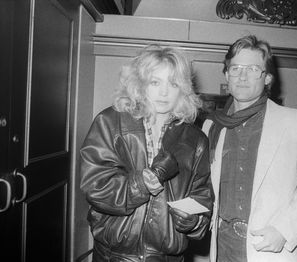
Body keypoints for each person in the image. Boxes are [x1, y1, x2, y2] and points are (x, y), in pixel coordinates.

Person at [202, 35, 297, 262]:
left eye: (252, 68)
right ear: (226, 74)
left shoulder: (295, 122)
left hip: (268, 247)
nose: (242, 76)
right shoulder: (212, 125)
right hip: (222, 246)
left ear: (267, 77)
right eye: (236, 68)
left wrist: (285, 229)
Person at [80, 46, 214, 262]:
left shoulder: (196, 139)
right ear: (140, 84)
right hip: (114, 256)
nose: (164, 92)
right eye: (155, 82)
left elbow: (202, 196)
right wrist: (142, 184)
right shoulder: (110, 122)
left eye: (173, 84)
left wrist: (195, 222)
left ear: (183, 89)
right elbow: (95, 187)